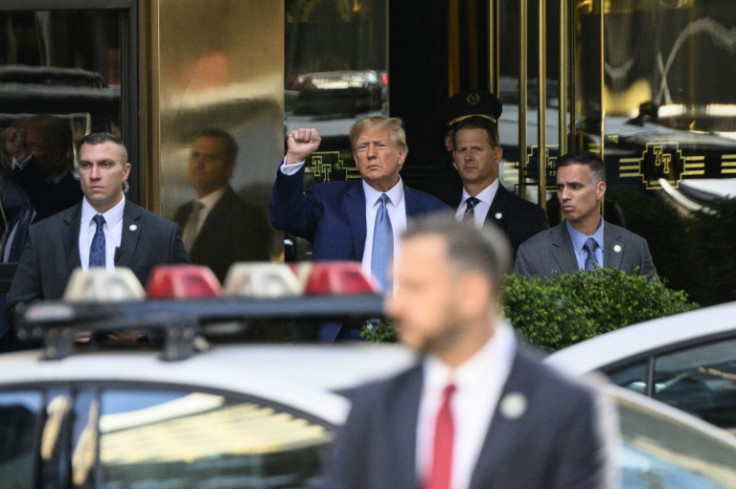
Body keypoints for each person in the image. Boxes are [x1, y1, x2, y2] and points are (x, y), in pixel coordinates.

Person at [322, 214, 617, 489]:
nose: (394, 306)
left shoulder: (563, 407)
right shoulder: (374, 404)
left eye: (415, 287)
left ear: (471, 293)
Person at [269, 116, 448, 340]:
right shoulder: (329, 200)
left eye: (380, 145)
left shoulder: (434, 212)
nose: (370, 154)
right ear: (355, 158)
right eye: (363, 147)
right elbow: (284, 217)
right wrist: (294, 158)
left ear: (401, 154)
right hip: (345, 335)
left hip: (414, 333)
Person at [6, 132, 189, 320]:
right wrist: (61, 327)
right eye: (86, 165)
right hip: (67, 348)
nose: (94, 175)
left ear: (125, 171)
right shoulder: (44, 235)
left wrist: (142, 331)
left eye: (105, 164)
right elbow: (18, 305)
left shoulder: (162, 234)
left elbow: (187, 306)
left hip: (135, 349)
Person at [425, 91, 548, 255]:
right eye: (462, 150)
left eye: (477, 149)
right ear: (454, 156)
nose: (468, 157)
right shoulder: (437, 212)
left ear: (497, 155)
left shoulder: (529, 218)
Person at [515, 150, 656, 279]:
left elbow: (654, 303)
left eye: (575, 187)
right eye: (560, 187)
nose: (564, 196)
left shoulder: (634, 247)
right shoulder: (533, 253)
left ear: (599, 190)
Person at [173, 129, 270, 282]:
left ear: (229, 167)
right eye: (195, 155)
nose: (199, 164)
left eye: (209, 158)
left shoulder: (248, 218)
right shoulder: (182, 213)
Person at [9, 115, 84, 221]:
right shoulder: (18, 185)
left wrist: (22, 156)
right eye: (23, 145)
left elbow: (47, 204)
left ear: (60, 156)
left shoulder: (75, 194)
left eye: (35, 146)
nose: (25, 152)